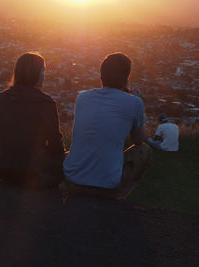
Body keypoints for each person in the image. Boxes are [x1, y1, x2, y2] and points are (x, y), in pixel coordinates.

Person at [0, 52, 65, 190]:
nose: (44, 75)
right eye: (43, 71)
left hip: (6, 173)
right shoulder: (45, 102)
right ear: (36, 74)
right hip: (37, 175)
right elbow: (55, 144)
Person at [61, 53, 152, 200]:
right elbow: (139, 140)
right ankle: (119, 197)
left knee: (69, 152)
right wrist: (138, 105)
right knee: (145, 151)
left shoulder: (82, 97)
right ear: (127, 77)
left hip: (73, 181)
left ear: (101, 75)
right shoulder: (134, 102)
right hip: (107, 186)